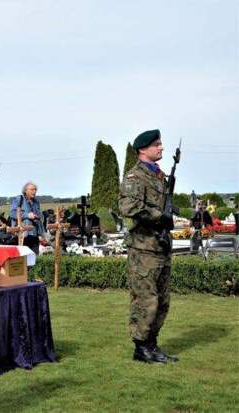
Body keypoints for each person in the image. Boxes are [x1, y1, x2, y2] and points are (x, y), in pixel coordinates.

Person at [119, 129, 178, 364]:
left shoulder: (158, 176)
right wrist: (157, 216)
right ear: (143, 149)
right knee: (146, 300)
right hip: (143, 249)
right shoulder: (136, 177)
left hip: (160, 246)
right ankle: (141, 347)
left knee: (162, 301)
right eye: (157, 144)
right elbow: (128, 207)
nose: (161, 148)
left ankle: (152, 344)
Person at [9, 182, 45, 255]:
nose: (34, 192)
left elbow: (39, 215)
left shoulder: (36, 202)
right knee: (22, 258)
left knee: (34, 258)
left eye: (35, 190)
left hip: (34, 235)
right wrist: (27, 215)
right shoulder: (19, 199)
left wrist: (38, 216)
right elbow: (12, 213)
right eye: (32, 190)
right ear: (26, 190)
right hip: (22, 235)